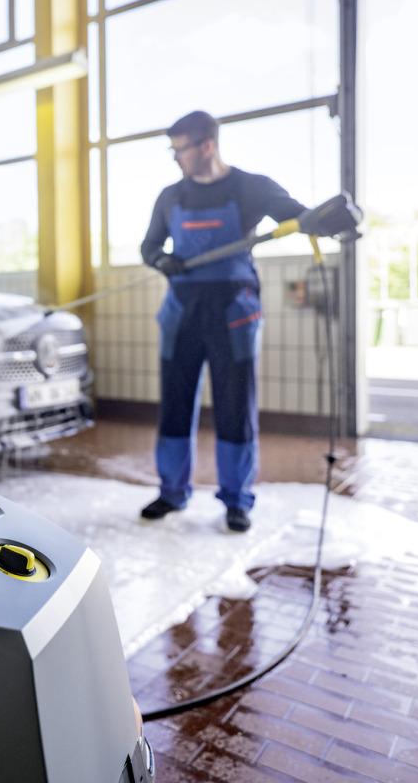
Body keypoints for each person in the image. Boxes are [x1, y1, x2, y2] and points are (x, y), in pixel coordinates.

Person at [139, 111, 305, 533]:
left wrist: (327, 218)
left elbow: (298, 215)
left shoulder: (252, 188)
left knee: (235, 406)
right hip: (182, 311)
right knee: (175, 404)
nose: (175, 157)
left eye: (180, 149)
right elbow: (149, 246)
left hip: (233, 312)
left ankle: (236, 499)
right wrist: (162, 260)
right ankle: (172, 492)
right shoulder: (170, 197)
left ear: (206, 147)